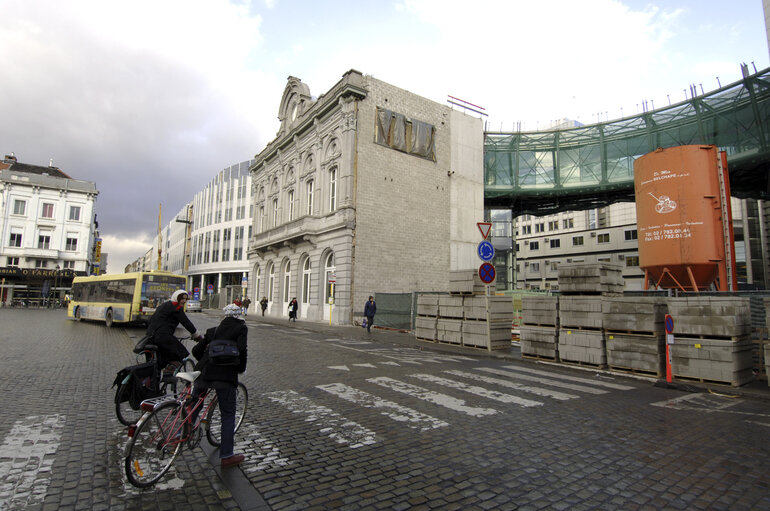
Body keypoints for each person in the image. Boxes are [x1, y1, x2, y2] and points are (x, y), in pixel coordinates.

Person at [190, 303, 248, 468]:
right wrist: (240, 369)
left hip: (204, 372)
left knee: (195, 403)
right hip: (225, 375)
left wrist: (207, 358)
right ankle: (227, 455)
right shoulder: (241, 328)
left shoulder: (213, 330)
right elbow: (243, 350)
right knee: (228, 414)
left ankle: (183, 431)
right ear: (238, 315)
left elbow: (195, 351)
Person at [145, 289, 202, 377]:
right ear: (176, 298)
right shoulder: (176, 308)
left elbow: (151, 320)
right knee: (180, 353)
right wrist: (197, 336)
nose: (184, 301)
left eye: (185, 299)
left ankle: (154, 385)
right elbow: (187, 323)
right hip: (163, 337)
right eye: (182, 298)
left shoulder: (163, 306)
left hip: (150, 337)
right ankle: (169, 372)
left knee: (157, 364)